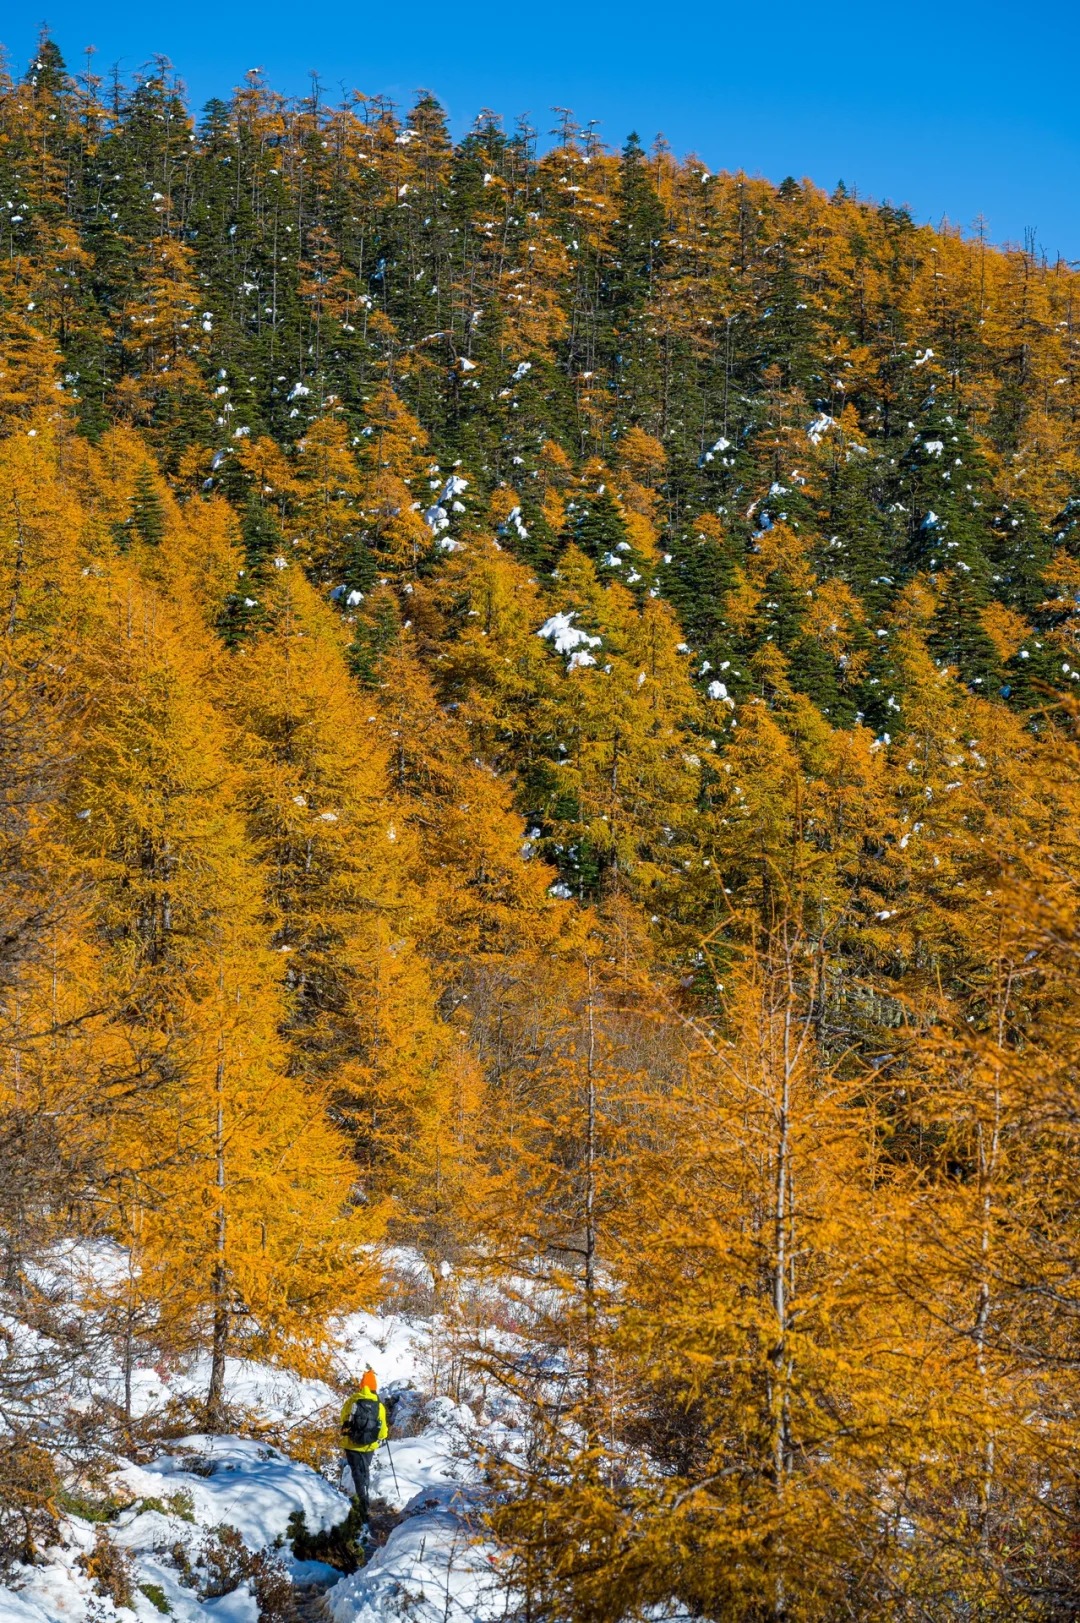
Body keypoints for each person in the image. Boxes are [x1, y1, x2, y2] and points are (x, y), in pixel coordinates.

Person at [340, 1366, 388, 1523]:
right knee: (364, 1472)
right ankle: (364, 1501)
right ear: (374, 1386)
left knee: (357, 1473)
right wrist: (381, 1436)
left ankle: (363, 1505)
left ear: (362, 1385)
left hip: (352, 1444)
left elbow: (343, 1420)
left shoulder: (352, 1400)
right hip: (369, 1446)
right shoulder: (379, 1405)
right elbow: (382, 1431)